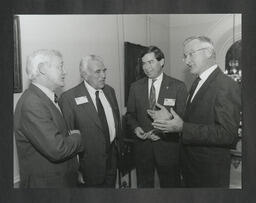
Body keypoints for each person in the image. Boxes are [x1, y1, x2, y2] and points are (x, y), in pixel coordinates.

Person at [150, 36, 241, 187]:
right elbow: (197, 119)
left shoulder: (226, 85)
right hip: (192, 168)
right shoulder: (197, 82)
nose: (186, 61)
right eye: (185, 56)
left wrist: (182, 128)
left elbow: (227, 134)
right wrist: (171, 118)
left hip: (210, 173)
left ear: (209, 53)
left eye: (191, 54)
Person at [14, 49, 84, 188]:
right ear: (42, 69)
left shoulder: (46, 98)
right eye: (60, 66)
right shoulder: (32, 103)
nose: (65, 72)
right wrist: (77, 136)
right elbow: (57, 149)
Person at [125, 46, 188, 188]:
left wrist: (162, 130)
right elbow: (130, 115)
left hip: (168, 149)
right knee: (144, 188)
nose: (147, 67)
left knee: (171, 189)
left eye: (151, 62)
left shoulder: (178, 86)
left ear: (162, 61)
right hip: (143, 149)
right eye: (144, 63)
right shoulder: (135, 87)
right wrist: (136, 128)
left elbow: (184, 120)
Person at [58, 55, 121, 188]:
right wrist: (76, 170)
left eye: (104, 70)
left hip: (111, 160)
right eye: (98, 72)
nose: (103, 75)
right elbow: (68, 138)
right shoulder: (69, 98)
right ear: (84, 75)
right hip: (88, 166)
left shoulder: (109, 91)